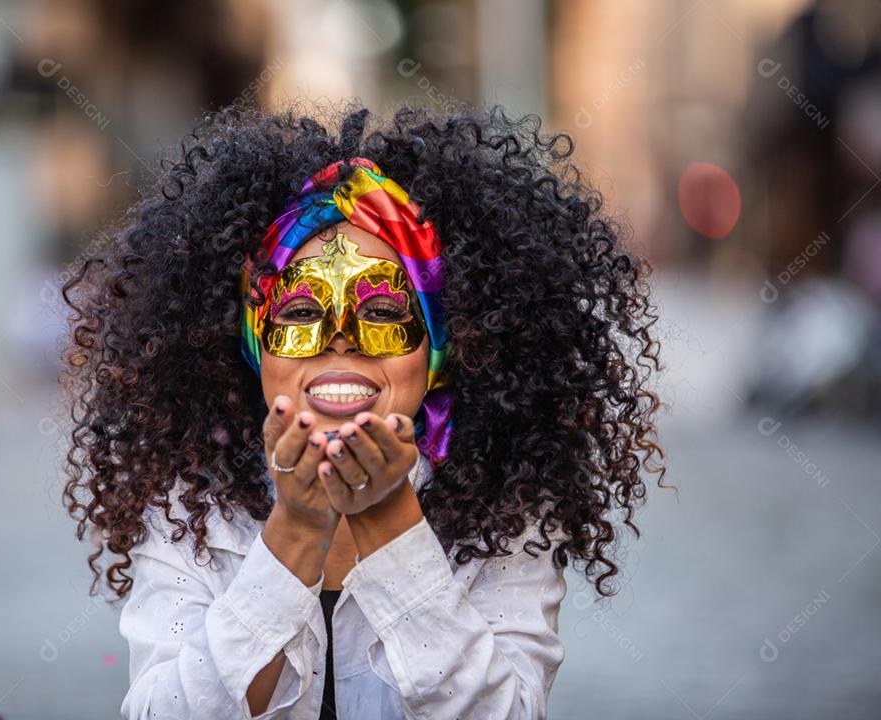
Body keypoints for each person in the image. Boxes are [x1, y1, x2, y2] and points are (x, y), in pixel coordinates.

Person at [60, 102, 665, 719]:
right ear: (255, 345)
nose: (340, 339)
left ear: (442, 353)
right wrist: (292, 533)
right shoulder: (191, 510)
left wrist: (389, 522)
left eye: (381, 312)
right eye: (299, 313)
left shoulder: (503, 515)